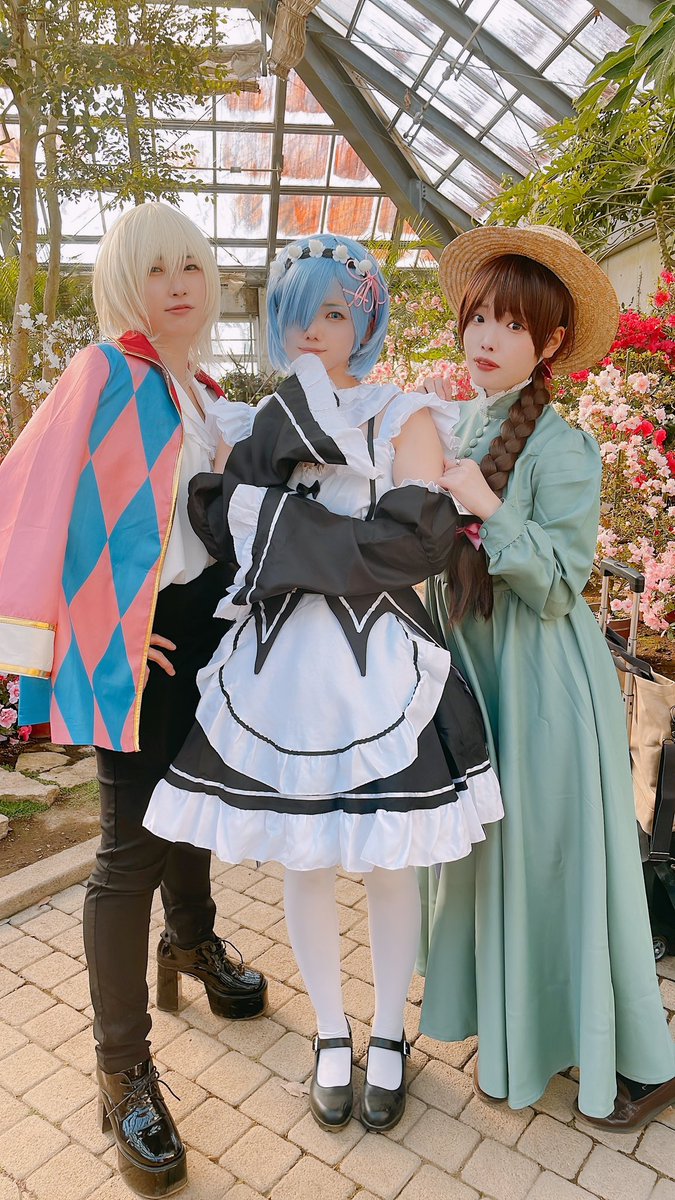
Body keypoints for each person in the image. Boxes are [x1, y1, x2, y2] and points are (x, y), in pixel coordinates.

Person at [143, 233, 503, 1134]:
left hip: (378, 667)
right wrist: (301, 531)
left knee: (386, 861)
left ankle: (388, 1036)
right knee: (303, 859)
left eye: (334, 313)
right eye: (297, 313)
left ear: (366, 322)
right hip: (279, 670)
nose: (313, 331)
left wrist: (271, 523)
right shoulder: (256, 421)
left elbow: (412, 546)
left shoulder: (403, 415)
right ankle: (332, 1034)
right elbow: (213, 519)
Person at [0, 203, 268, 1197]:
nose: (179, 283)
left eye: (190, 264)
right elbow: (34, 506)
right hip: (141, 646)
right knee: (127, 853)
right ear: (123, 283)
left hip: (206, 631)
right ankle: (122, 1074)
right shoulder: (102, 373)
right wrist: (101, 633)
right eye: (155, 269)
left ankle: (190, 941)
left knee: (196, 806)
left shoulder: (204, 391)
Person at [416, 223, 675, 1129]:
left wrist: (485, 507)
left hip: (544, 691)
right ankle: (520, 1038)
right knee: (495, 861)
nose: (485, 337)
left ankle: (636, 1061)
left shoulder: (563, 447)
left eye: (512, 324)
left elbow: (564, 583)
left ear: (551, 341)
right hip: (477, 681)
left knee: (558, 869)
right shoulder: (458, 424)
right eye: (478, 317)